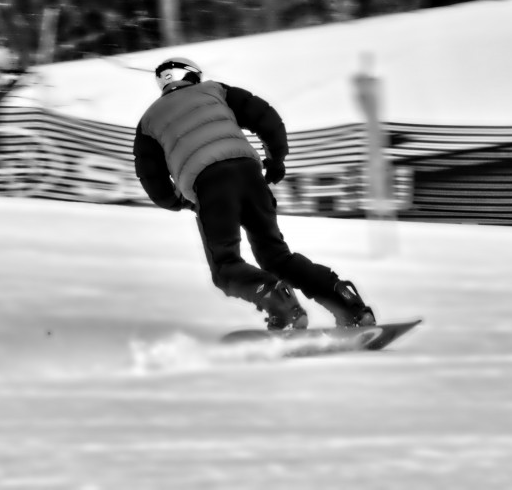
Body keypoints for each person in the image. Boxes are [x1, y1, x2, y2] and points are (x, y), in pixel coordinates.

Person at [133, 56, 376, 330]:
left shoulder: (148, 121)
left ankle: (281, 304)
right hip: (250, 174)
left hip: (210, 185)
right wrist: (275, 159)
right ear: (192, 75)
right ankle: (349, 306)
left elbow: (154, 183)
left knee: (225, 267)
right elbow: (266, 117)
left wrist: (187, 202)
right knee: (276, 257)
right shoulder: (216, 91)